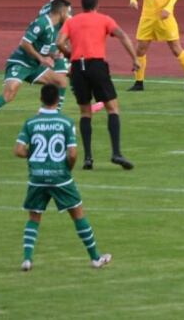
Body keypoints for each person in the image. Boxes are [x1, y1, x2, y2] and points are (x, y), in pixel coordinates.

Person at [15, 84, 112, 271]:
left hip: (37, 177)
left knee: (34, 216)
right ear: (58, 101)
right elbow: (73, 154)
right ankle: (95, 258)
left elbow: (18, 150)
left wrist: (34, 157)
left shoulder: (31, 123)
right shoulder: (66, 123)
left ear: (41, 99)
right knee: (77, 214)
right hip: (60, 176)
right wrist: (67, 168)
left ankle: (27, 259)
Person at [56, 0, 142, 170]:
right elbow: (122, 35)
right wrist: (134, 58)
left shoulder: (72, 22)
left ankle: (88, 158)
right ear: (96, 5)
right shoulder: (104, 19)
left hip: (78, 68)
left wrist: (69, 54)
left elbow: (59, 42)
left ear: (83, 5)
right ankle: (116, 152)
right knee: (112, 109)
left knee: (85, 113)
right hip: (96, 65)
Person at [0, 0, 72, 133]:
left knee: (61, 82)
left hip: (34, 66)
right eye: (68, 12)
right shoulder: (41, 23)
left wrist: (52, 55)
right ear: (62, 11)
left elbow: (43, 47)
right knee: (10, 93)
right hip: (21, 62)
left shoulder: (55, 27)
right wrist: (41, 58)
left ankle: (52, 117)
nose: (69, 15)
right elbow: (25, 43)